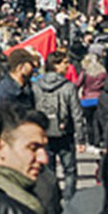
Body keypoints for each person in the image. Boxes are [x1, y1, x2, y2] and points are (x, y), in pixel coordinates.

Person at [33, 48, 86, 200]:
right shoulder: (68, 87)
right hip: (65, 133)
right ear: (56, 66)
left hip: (44, 132)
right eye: (65, 63)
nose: (68, 67)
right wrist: (80, 138)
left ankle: (52, 197)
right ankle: (69, 200)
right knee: (69, 169)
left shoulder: (36, 86)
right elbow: (77, 113)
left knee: (48, 170)